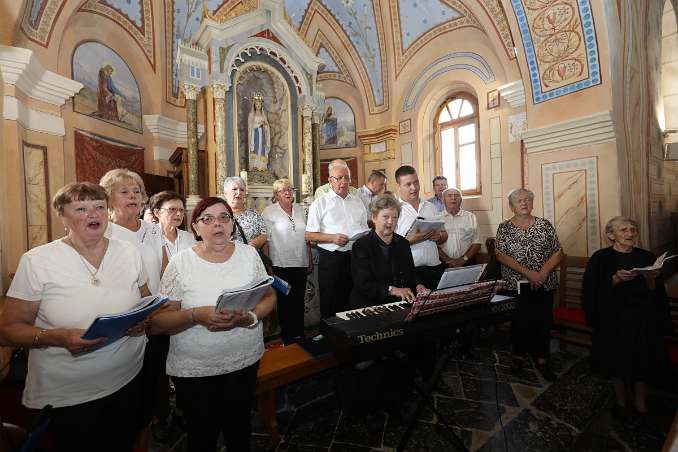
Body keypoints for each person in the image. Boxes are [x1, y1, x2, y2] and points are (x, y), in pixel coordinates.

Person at [0, 182, 150, 452]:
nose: (93, 214)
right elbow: (7, 330)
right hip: (70, 392)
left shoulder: (129, 252)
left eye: (99, 207)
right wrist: (57, 337)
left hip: (128, 378)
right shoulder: (37, 261)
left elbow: (146, 301)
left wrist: (143, 321)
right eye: (81, 208)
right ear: (62, 217)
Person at [150, 197, 276, 452]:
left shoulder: (249, 253)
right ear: (195, 227)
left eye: (224, 218)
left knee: (239, 431)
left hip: (244, 360)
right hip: (197, 370)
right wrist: (195, 315)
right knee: (202, 436)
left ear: (232, 224)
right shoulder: (181, 263)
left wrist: (250, 317)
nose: (217, 224)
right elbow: (158, 323)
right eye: (207, 219)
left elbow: (269, 296)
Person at [99, 169, 166, 440]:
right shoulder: (104, 231)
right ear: (109, 198)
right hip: (123, 319)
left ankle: (156, 421)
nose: (133, 196)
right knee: (127, 382)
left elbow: (164, 266)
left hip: (156, 312)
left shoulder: (153, 230)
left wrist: (165, 303)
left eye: (137, 191)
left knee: (156, 371)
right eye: (124, 191)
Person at [583, 216, 673, 415]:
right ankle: (621, 400)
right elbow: (591, 291)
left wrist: (651, 279)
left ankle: (641, 401)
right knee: (615, 361)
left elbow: (655, 292)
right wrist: (614, 279)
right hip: (613, 318)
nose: (629, 233)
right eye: (623, 230)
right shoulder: (600, 258)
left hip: (643, 317)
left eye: (633, 229)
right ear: (611, 235)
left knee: (643, 360)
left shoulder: (647, 256)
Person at [495, 188, 563, 381]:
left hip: (544, 282)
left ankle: (542, 359)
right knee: (519, 321)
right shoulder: (504, 227)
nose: (524, 203)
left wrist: (541, 274)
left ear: (532, 203)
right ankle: (518, 357)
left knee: (543, 321)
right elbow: (500, 255)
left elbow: (558, 252)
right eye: (519, 201)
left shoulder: (544, 225)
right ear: (511, 206)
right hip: (516, 283)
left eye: (527, 200)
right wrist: (529, 274)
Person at [306, 160, 368, 318]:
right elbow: (309, 235)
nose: (344, 182)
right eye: (339, 178)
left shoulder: (358, 202)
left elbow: (364, 227)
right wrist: (332, 238)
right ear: (330, 180)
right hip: (331, 259)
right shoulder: (320, 203)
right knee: (330, 302)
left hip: (355, 258)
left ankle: (351, 337)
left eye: (346, 178)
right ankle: (330, 339)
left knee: (353, 300)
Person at [350, 194, 427, 308]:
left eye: (395, 217)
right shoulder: (361, 245)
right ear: (374, 218)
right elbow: (363, 284)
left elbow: (411, 272)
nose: (391, 222)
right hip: (369, 304)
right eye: (385, 216)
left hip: (400, 303)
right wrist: (393, 290)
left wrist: (419, 286)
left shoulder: (403, 243)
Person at [262, 179, 313, 343]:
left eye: (290, 189)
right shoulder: (269, 212)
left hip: (301, 262)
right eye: (283, 190)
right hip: (280, 264)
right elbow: (266, 242)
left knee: (299, 300)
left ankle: (299, 333)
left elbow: (308, 237)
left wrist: (310, 258)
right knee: (285, 302)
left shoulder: (300, 209)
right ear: (276, 194)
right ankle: (288, 337)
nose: (288, 192)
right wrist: (269, 266)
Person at [394, 165, 447, 290]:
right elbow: (390, 247)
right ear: (398, 187)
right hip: (410, 272)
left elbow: (445, 235)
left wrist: (438, 236)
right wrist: (412, 240)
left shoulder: (430, 206)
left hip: (435, 267)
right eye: (408, 184)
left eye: (416, 182)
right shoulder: (394, 210)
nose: (414, 188)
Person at [149, 190, 196, 264]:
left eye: (181, 210)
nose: (178, 214)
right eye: (172, 209)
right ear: (157, 212)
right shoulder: (149, 237)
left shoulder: (189, 238)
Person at [438, 187, 481, 267]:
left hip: (467, 262)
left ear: (461, 200)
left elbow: (477, 242)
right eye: (449, 196)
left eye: (456, 195)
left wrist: (463, 259)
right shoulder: (436, 218)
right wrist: (448, 260)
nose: (453, 198)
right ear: (443, 200)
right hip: (443, 263)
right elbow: (433, 245)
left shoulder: (471, 217)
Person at [223, 176, 267, 250]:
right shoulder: (219, 215)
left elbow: (264, 235)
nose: (239, 192)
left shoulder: (254, 214)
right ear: (225, 193)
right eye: (234, 189)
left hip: (250, 257)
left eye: (242, 190)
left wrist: (251, 246)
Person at [248, 93, 271, 171]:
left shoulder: (263, 115)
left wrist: (265, 125)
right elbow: (250, 126)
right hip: (255, 136)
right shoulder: (252, 115)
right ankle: (255, 166)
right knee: (256, 148)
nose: (258, 106)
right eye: (256, 104)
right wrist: (258, 125)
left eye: (259, 104)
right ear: (254, 105)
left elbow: (267, 126)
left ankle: (262, 166)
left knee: (262, 150)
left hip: (262, 135)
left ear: (261, 105)